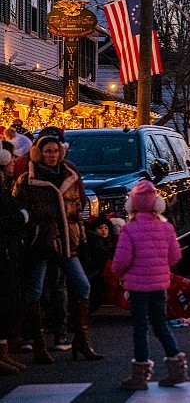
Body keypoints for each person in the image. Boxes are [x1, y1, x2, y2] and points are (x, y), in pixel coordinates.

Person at [13, 134, 103, 364]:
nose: (51, 156)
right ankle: (38, 345)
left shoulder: (71, 176)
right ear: (38, 153)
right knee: (35, 291)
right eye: (47, 151)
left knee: (82, 285)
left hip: (66, 241)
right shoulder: (27, 181)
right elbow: (20, 214)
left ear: (61, 152)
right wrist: (32, 229)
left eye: (54, 151)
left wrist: (81, 231)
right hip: (40, 243)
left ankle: (82, 340)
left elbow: (80, 207)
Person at [112, 180, 189, 390]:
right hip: (159, 285)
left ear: (131, 205)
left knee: (140, 328)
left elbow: (121, 261)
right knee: (160, 325)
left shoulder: (129, 230)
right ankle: (176, 367)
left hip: (137, 287)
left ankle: (140, 374)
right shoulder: (166, 228)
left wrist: (118, 273)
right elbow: (175, 256)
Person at [0, 141, 27, 375]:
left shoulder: (7, 187)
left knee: (8, 300)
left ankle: (5, 352)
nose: (14, 165)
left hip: (9, 248)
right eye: (10, 162)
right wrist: (22, 217)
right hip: (3, 249)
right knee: (4, 299)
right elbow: (5, 220)